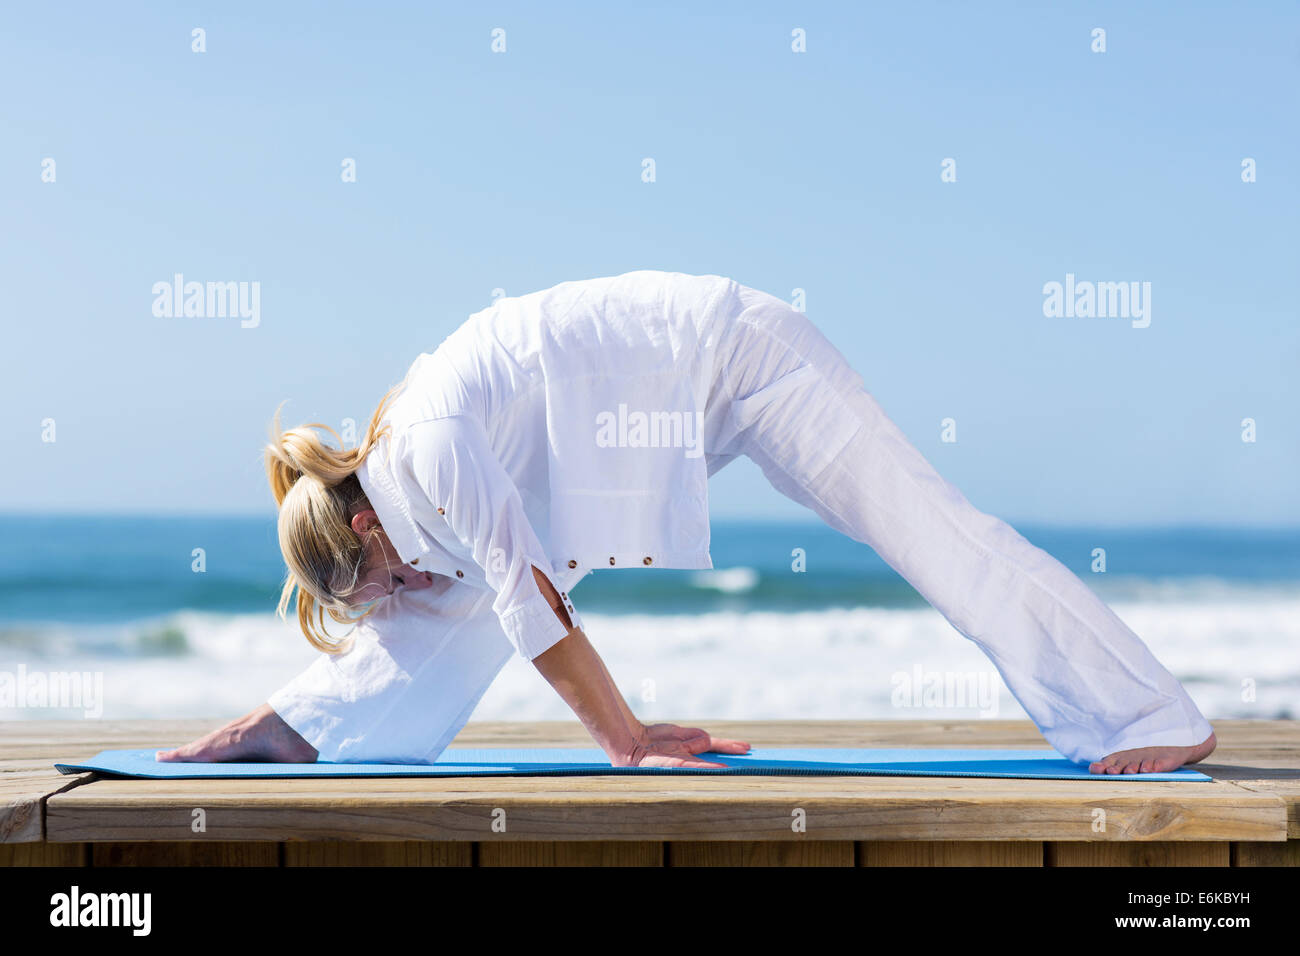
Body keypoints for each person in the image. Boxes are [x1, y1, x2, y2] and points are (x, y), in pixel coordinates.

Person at [158, 270, 1217, 774]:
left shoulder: (424, 449)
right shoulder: (405, 481)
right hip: (663, 410)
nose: (389, 602)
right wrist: (622, 724)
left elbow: (532, 601)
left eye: (371, 588)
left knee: (928, 531)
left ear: (365, 530)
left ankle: (1146, 714)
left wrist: (624, 740)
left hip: (742, 363)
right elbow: (498, 592)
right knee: (459, 601)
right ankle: (292, 729)